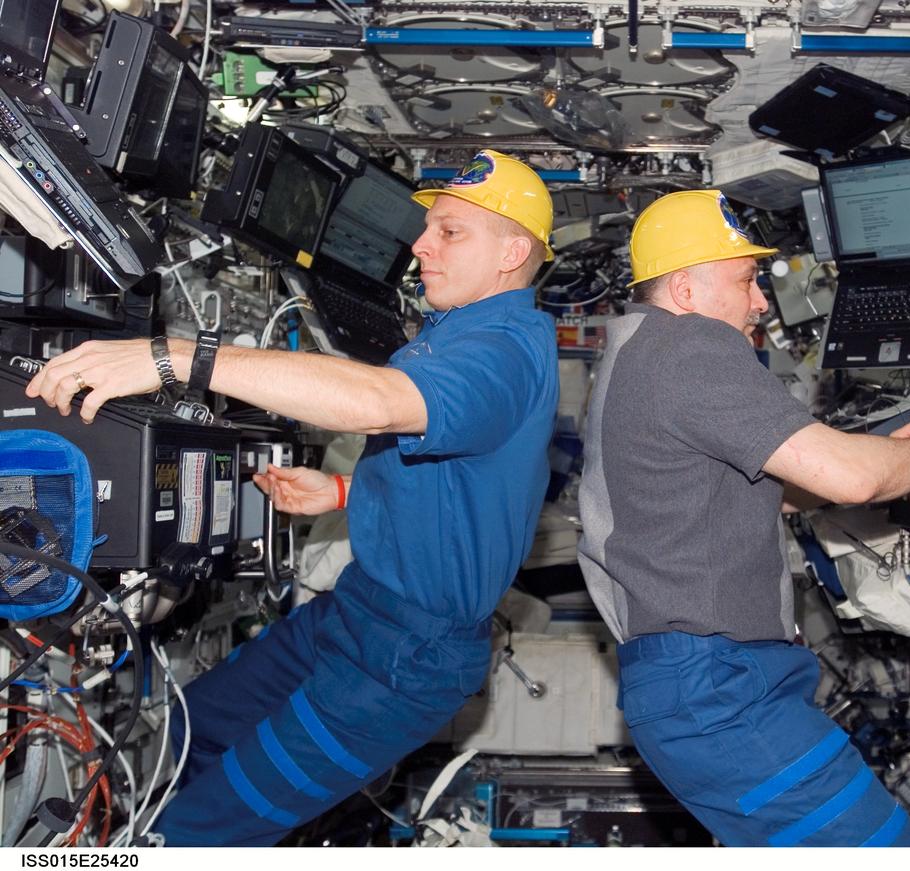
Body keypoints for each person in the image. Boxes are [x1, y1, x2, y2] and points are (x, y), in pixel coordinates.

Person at [25, 150, 560, 846]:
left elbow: (378, 402)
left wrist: (178, 355)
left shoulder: (505, 347)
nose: (421, 244)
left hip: (405, 660)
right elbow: (473, 476)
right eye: (430, 228)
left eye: (451, 232)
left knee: (192, 837)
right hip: (359, 609)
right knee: (180, 732)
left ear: (512, 252)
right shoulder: (461, 327)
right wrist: (342, 487)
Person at [577, 189, 910, 847]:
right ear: (687, 290)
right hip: (718, 691)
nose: (761, 299)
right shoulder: (690, 349)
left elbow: (775, 489)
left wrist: (882, 459)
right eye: (746, 278)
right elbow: (853, 475)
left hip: (698, 686)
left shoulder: (635, 352)